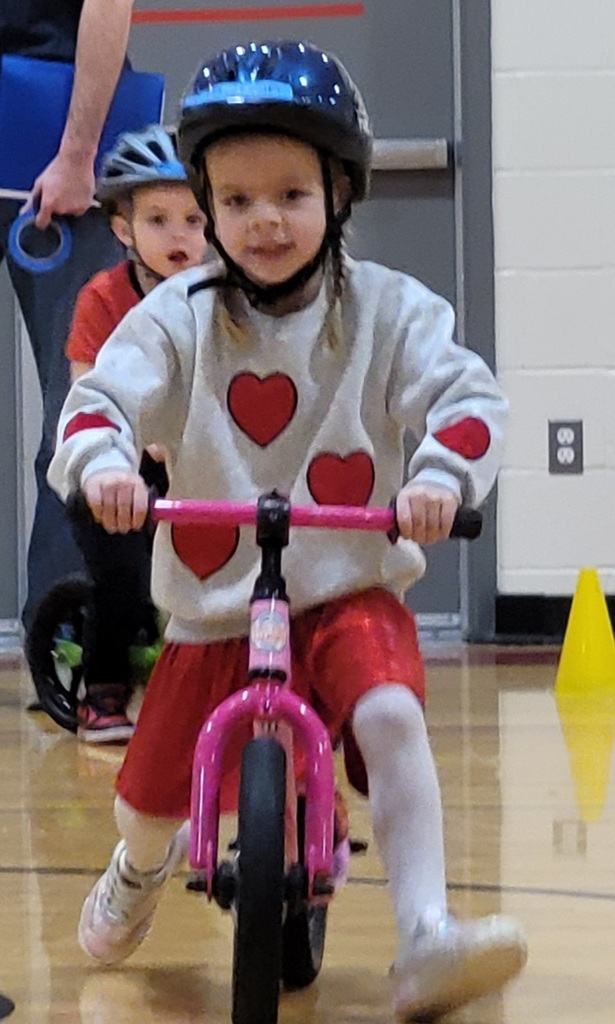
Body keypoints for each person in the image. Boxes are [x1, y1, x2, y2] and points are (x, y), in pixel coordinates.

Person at [48, 40, 527, 1021]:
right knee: (147, 804)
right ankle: (136, 873)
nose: (264, 221)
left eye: (292, 195)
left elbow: (466, 393)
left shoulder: (387, 310)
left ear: (339, 194)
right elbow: (98, 401)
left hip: (349, 583)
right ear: (210, 208)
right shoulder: (178, 318)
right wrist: (102, 467)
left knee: (391, 718)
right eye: (236, 200)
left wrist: (438, 475)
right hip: (217, 606)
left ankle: (426, 928)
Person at [64, 124, 208, 743]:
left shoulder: (218, 298)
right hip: (118, 465)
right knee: (121, 575)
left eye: (194, 220)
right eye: (158, 220)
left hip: (195, 457)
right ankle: (103, 689)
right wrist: (133, 442)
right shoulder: (103, 298)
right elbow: (86, 391)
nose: (179, 236)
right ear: (123, 230)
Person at [0, 0, 135, 635]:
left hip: (51, 130)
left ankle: (68, 629)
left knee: (80, 405)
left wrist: (78, 154)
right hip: (44, 124)